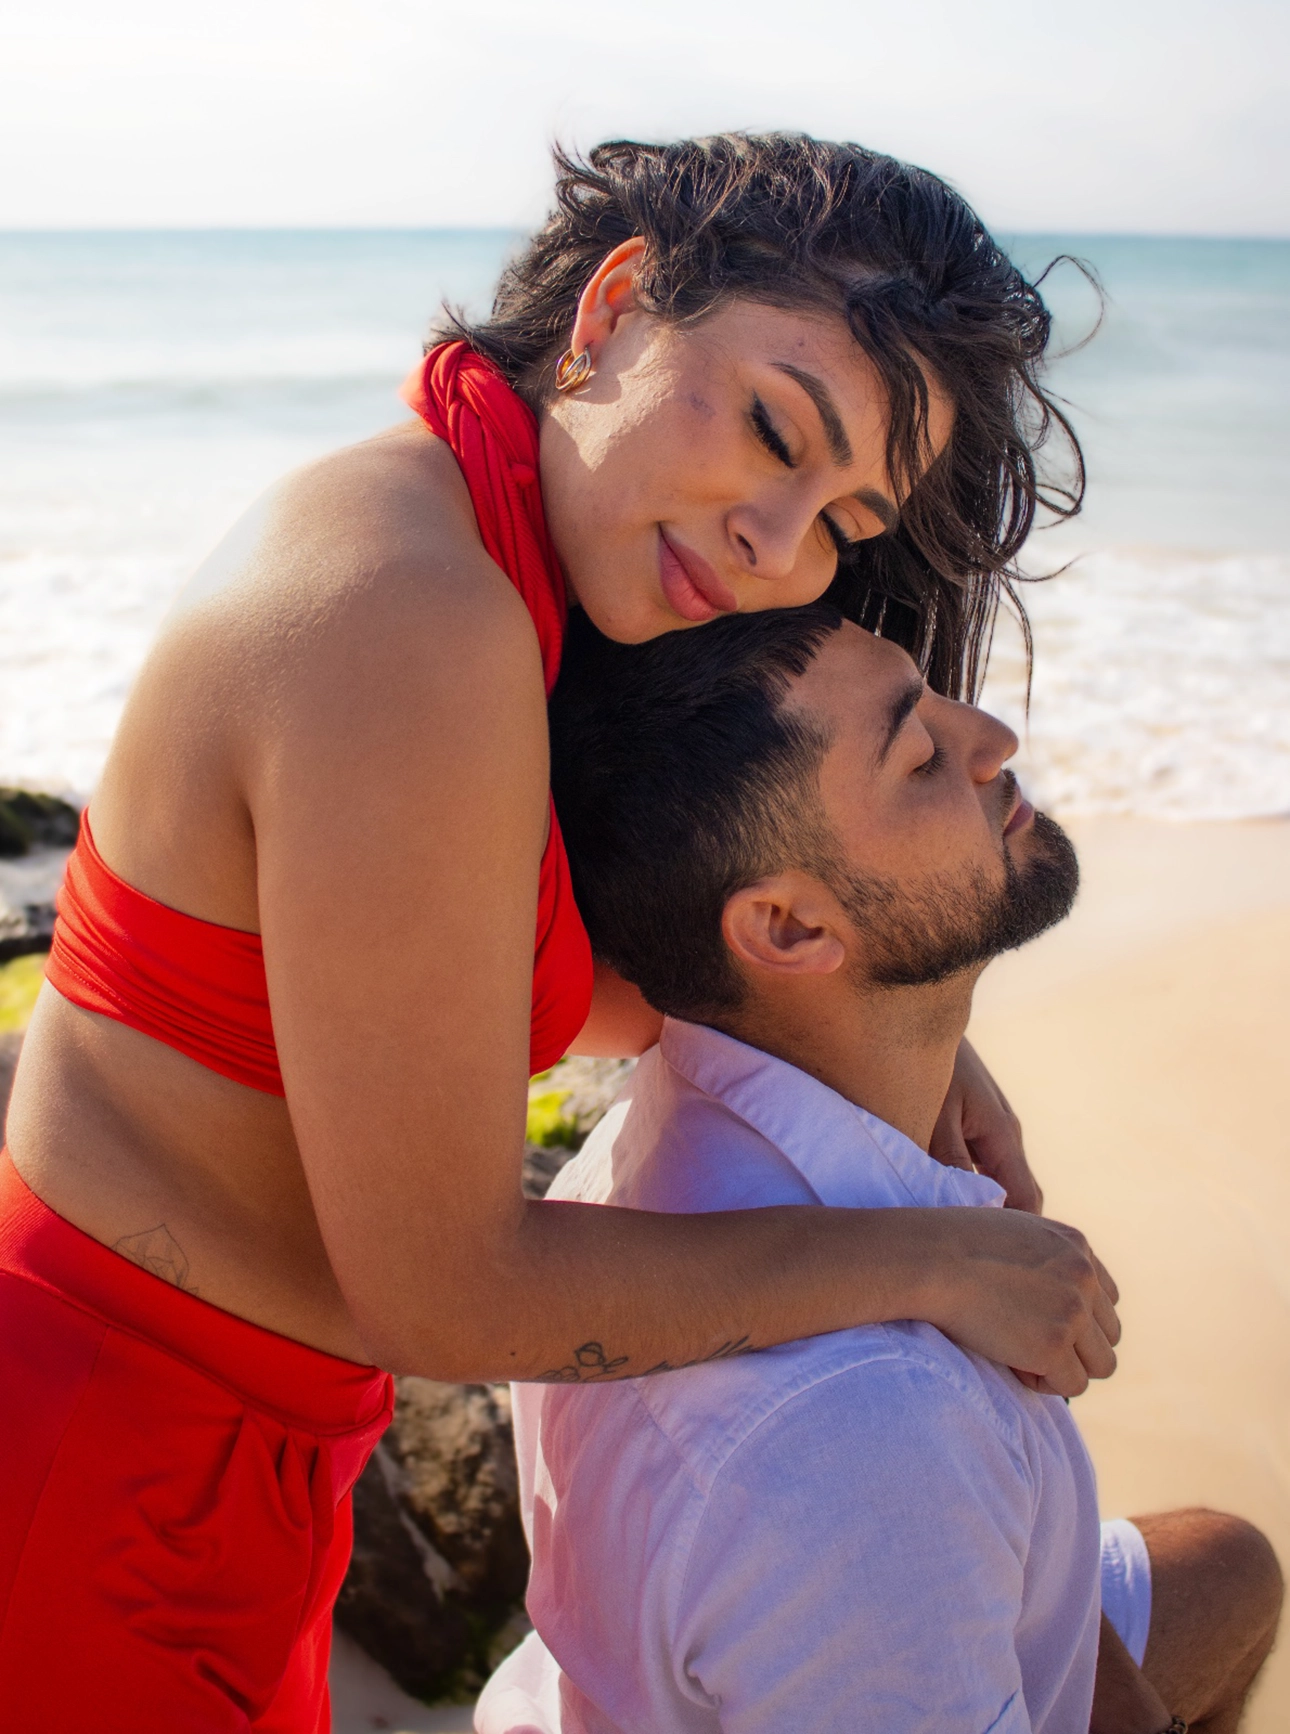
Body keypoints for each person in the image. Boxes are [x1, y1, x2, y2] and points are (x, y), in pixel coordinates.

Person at [1, 136, 1120, 1727]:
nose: (777, 544)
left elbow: (628, 962)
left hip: (242, 1453)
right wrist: (933, 1256)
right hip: (108, 1453)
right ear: (611, 311)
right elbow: (445, 1290)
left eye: (842, 515)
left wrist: (953, 1058)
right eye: (770, 429)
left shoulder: (518, 570)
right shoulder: (410, 611)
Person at [478, 606, 1283, 1734]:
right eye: (918, 758)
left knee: (1232, 1571)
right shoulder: (864, 1449)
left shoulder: (664, 1129)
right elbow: (871, 1489)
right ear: (792, 931)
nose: (992, 735)